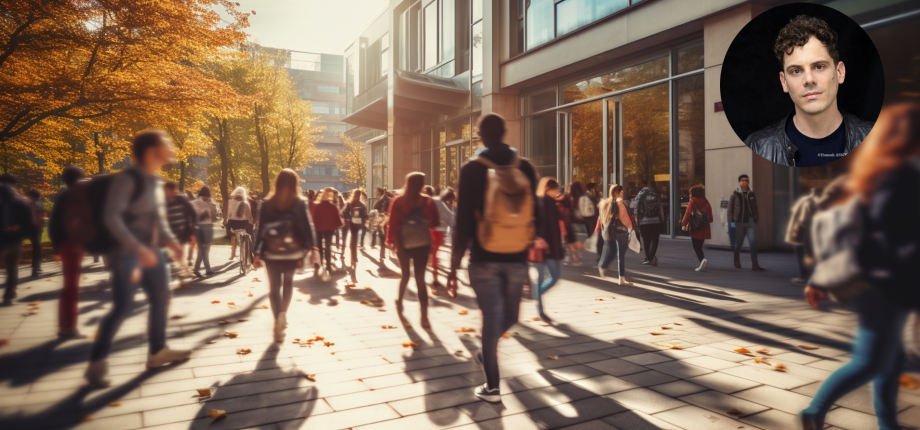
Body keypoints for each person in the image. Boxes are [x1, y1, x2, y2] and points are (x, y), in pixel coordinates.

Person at [800, 102, 920, 430]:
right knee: (870, 361)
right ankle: (814, 412)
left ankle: (886, 423)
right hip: (885, 284)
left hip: (881, 283)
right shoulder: (901, 176)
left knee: (890, 360)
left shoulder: (879, 171)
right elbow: (891, 235)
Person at [85, 129, 189, 388]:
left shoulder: (155, 182)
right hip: (126, 256)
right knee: (123, 306)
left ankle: (157, 351)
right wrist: (137, 247)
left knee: (162, 298)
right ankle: (97, 363)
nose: (171, 146)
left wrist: (172, 242)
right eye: (166, 142)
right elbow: (112, 217)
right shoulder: (128, 180)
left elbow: (158, 221)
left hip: (153, 253)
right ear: (152, 150)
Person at [447, 114, 539, 403]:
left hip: (483, 257)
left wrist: (452, 267)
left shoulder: (472, 168)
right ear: (505, 132)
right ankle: (489, 369)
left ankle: (492, 386)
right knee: (509, 316)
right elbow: (533, 214)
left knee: (491, 319)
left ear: (480, 136)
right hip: (516, 257)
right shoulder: (525, 167)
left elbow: (462, 222)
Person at [745, 15, 874, 167]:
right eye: (796, 71)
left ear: (839, 72)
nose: (808, 79)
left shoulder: (877, 138)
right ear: (784, 82)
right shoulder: (757, 146)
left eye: (819, 66)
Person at [253, 169, 314, 342]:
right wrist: (312, 247)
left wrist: (256, 251)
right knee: (288, 284)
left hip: (271, 252)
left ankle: (277, 320)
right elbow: (307, 226)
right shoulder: (299, 202)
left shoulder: (267, 203)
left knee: (274, 289)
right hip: (292, 252)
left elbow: (261, 229)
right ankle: (283, 315)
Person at [386, 173, 439, 328]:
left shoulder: (398, 201)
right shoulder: (428, 201)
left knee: (405, 276)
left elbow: (393, 223)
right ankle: (424, 318)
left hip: (403, 244)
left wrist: (391, 241)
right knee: (420, 279)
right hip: (423, 244)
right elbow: (434, 222)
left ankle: (400, 302)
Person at [48, 166, 87, 336]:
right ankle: (69, 327)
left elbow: (53, 223)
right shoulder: (76, 196)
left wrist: (57, 245)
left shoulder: (63, 195)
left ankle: (64, 325)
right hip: (72, 244)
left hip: (65, 244)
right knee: (72, 286)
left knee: (69, 285)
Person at [1, 175, 38, 306]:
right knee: (12, 267)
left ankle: (10, 293)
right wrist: (22, 231)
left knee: (12, 266)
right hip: (14, 240)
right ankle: (9, 294)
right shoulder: (19, 200)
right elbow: (28, 221)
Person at [533, 178, 564, 321]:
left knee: (542, 278)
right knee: (554, 277)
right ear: (549, 189)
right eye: (556, 189)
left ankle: (538, 305)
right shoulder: (549, 202)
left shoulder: (538, 201)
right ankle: (537, 297)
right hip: (548, 248)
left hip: (539, 247)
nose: (558, 192)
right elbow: (553, 228)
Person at [596, 184, 635, 285]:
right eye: (621, 192)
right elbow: (624, 218)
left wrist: (598, 228)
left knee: (611, 251)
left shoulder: (604, 203)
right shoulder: (619, 203)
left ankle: (602, 266)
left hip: (609, 232)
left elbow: (600, 218)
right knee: (621, 255)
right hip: (621, 231)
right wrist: (630, 228)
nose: (622, 194)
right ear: (617, 193)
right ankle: (621, 279)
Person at [728, 174, 766, 271]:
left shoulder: (751, 194)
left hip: (750, 221)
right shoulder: (735, 195)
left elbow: (755, 207)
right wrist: (731, 222)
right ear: (739, 182)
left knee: (753, 242)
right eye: (742, 180)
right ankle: (736, 258)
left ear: (748, 182)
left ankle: (755, 263)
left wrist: (755, 217)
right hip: (739, 222)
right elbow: (730, 210)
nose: (744, 182)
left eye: (746, 180)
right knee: (738, 244)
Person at [680, 185, 714, 272]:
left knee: (696, 247)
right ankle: (702, 260)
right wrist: (709, 220)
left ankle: (702, 260)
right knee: (699, 246)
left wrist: (684, 224)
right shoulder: (706, 201)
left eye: (690, 193)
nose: (690, 195)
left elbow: (688, 213)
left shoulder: (693, 200)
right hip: (704, 227)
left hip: (696, 226)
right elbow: (710, 213)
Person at [164, 182, 196, 271]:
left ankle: (182, 272)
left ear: (173, 190)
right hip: (170, 234)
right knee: (172, 256)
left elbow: (192, 213)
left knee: (179, 255)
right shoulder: (164, 201)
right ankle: (179, 271)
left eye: (168, 190)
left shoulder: (181, 200)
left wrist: (192, 229)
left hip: (182, 233)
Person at [310, 188, 343, 276]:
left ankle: (320, 265)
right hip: (329, 229)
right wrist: (338, 225)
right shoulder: (333, 207)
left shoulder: (316, 206)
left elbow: (313, 218)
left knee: (319, 248)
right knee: (328, 247)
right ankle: (328, 265)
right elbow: (337, 219)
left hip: (318, 229)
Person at [430, 187, 455, 294]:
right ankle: (435, 278)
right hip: (439, 231)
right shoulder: (441, 204)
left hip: (431, 229)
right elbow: (450, 219)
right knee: (435, 253)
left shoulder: (433, 200)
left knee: (433, 253)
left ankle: (434, 274)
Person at [634, 181, 664, 266]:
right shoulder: (656, 195)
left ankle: (648, 258)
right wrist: (661, 220)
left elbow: (636, 208)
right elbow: (660, 208)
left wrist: (637, 221)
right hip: (656, 221)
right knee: (655, 239)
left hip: (644, 221)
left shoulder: (640, 195)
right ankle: (652, 255)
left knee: (646, 240)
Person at [189, 187, 217, 277]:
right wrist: (212, 206)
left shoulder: (193, 203)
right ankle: (208, 269)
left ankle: (196, 269)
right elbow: (213, 218)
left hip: (197, 227)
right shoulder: (210, 204)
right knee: (206, 249)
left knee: (201, 249)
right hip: (207, 227)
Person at [226, 187, 254, 261]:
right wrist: (251, 223)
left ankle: (233, 254)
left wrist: (225, 221)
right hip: (242, 223)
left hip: (232, 223)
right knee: (243, 239)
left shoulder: (229, 202)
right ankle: (244, 255)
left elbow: (227, 214)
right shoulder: (245, 203)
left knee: (234, 237)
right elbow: (249, 216)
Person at [343, 189, 368, 272]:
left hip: (351, 223)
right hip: (358, 224)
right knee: (354, 237)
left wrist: (348, 218)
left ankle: (353, 255)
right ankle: (354, 255)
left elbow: (344, 213)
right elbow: (365, 215)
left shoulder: (349, 203)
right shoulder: (361, 205)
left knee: (352, 239)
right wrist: (363, 221)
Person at [564, 182, 586, 266]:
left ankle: (574, 256)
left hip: (570, 222)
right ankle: (576, 256)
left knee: (570, 240)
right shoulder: (583, 196)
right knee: (577, 240)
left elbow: (565, 210)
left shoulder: (567, 197)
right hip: (581, 222)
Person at [24, 190, 44, 276]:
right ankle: (36, 266)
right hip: (31, 227)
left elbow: (40, 215)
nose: (35, 199)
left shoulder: (38, 204)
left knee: (36, 246)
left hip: (35, 227)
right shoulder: (27, 204)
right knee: (36, 246)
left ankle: (36, 266)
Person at [371, 187, 391, 259]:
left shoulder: (380, 200)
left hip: (381, 219)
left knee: (381, 236)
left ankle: (382, 253)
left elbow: (375, 207)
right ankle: (383, 252)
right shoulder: (389, 199)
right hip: (387, 219)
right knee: (385, 235)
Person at [582, 182, 601, 254]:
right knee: (593, 230)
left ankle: (592, 242)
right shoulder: (590, 195)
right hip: (592, 215)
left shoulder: (587, 195)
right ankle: (594, 244)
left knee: (591, 230)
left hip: (587, 216)